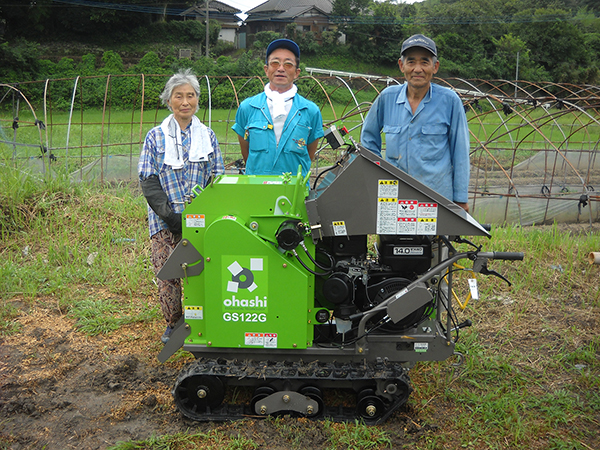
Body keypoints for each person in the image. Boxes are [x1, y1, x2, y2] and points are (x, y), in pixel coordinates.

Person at [138, 69, 224, 344]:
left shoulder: (207, 136)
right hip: (165, 219)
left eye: (191, 95)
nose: (185, 101)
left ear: (198, 100)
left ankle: (205, 319)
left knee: (205, 270)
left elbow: (217, 178)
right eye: (179, 96)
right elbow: (148, 179)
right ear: (169, 100)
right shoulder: (155, 137)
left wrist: (205, 213)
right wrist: (171, 216)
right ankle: (174, 323)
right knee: (168, 273)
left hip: (202, 219)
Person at [360, 34, 470, 211]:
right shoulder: (387, 98)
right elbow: (368, 141)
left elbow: (461, 152)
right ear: (401, 65)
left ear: (435, 67)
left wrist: (460, 198)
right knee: (391, 240)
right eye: (411, 62)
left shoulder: (450, 101)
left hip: (437, 197)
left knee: (436, 240)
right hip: (394, 198)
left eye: (424, 62)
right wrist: (379, 177)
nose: (417, 69)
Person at [232, 38, 324, 179]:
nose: (281, 68)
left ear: (297, 72)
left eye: (288, 64)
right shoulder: (248, 108)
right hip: (257, 189)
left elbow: (309, 154)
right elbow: (246, 153)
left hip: (294, 192)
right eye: (275, 63)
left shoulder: (310, 111)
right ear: (266, 69)